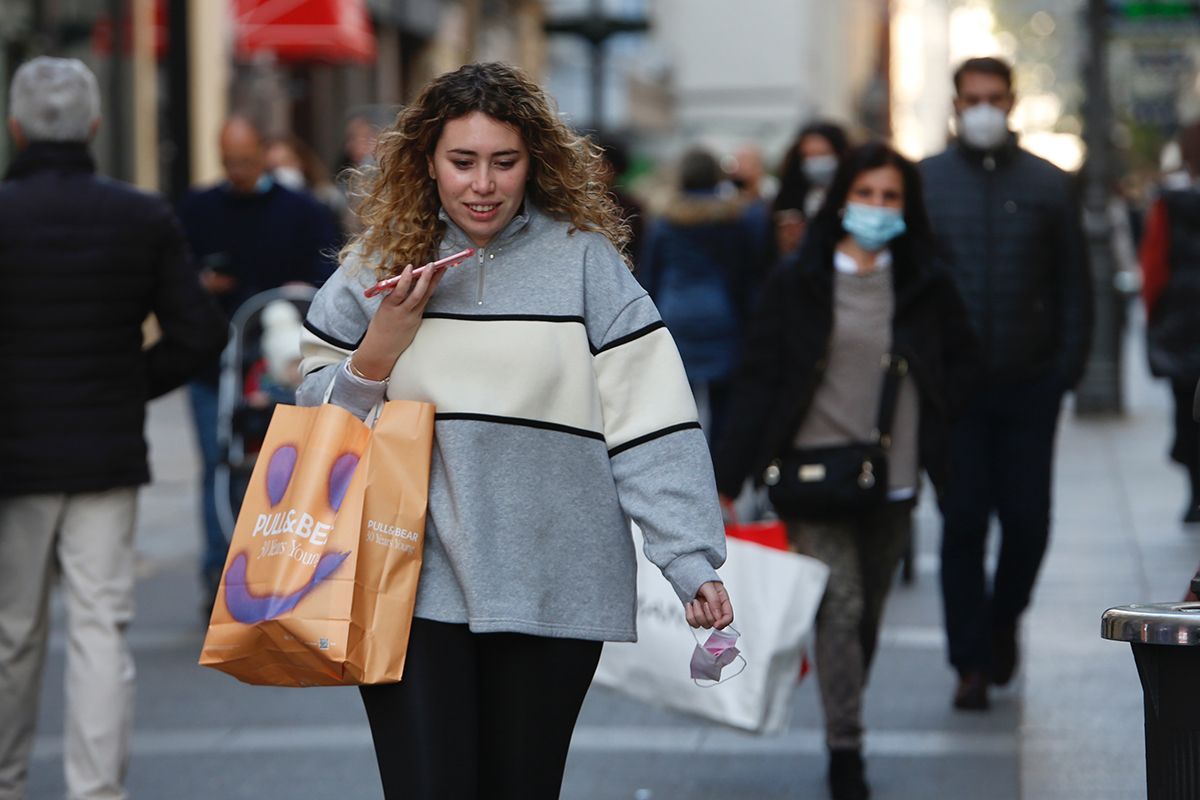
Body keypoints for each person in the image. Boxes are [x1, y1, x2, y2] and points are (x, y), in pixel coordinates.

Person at [295, 62, 735, 800]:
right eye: (461, 162)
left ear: (535, 162)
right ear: (426, 162)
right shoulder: (376, 269)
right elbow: (315, 427)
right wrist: (381, 347)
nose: (483, 184)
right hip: (406, 583)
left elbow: (651, 419)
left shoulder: (587, 265)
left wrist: (689, 558)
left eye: (505, 162)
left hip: (552, 583)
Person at [714, 142, 977, 800]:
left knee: (866, 619)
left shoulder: (927, 282)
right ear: (842, 202)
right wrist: (726, 476)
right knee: (841, 607)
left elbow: (962, 368)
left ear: (908, 208)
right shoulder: (799, 280)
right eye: (866, 195)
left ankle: (842, 713)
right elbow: (760, 379)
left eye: (891, 198)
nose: (878, 209)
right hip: (810, 475)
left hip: (894, 477)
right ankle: (846, 748)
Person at [0, 57, 226, 800]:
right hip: (106, 449)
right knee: (101, 628)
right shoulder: (141, 216)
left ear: (15, 128)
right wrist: (131, 384)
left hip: (12, 456)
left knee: (13, 635)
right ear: (96, 125)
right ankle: (96, 792)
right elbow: (200, 333)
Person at [919, 56, 1092, 711]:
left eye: (995, 97)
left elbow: (1074, 283)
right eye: (973, 98)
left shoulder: (1050, 185)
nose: (984, 108)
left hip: (1028, 386)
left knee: (1028, 525)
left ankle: (1001, 620)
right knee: (962, 523)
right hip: (956, 393)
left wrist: (1064, 370)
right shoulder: (926, 182)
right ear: (957, 105)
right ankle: (970, 663)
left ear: (1010, 102)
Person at [177, 116, 340, 606]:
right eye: (230, 162)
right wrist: (202, 285)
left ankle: (285, 567)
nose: (240, 171)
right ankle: (220, 571)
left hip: (284, 361)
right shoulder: (199, 210)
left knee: (290, 467)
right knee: (219, 462)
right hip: (216, 363)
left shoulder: (302, 212)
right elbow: (175, 276)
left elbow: (329, 276)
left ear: (264, 153)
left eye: (247, 161)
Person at [639, 147, 764, 446]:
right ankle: (719, 473)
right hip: (721, 313)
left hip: (676, 311)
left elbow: (650, 273)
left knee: (679, 401)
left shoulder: (664, 220)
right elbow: (744, 271)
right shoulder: (732, 218)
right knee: (723, 400)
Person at [1140, 121, 1200, 523]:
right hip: (1183, 317)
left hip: (1181, 317)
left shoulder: (1169, 199)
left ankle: (1195, 493)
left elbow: (1154, 261)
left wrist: (1154, 311)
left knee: (1187, 409)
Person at [266, 133, 349, 235]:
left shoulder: (325, 197)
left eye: (285, 162)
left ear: (301, 161)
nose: (280, 172)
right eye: (273, 167)